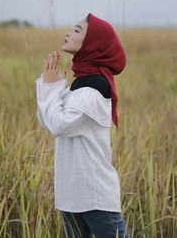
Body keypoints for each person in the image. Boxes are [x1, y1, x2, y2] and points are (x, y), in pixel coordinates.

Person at [35, 13, 131, 238]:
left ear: (93, 43)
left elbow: (59, 124)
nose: (69, 32)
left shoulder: (94, 88)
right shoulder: (79, 84)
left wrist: (51, 89)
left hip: (94, 195)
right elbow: (47, 121)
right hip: (72, 194)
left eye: (77, 30)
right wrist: (53, 86)